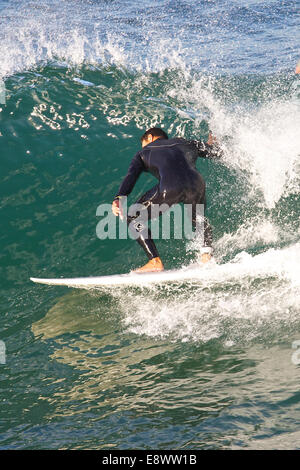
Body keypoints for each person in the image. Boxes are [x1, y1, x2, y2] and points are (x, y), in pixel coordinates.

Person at [112, 127, 221, 273]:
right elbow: (216, 152)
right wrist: (212, 143)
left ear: (150, 137)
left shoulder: (143, 153)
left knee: (132, 215)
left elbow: (131, 175)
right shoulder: (188, 143)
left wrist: (119, 197)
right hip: (197, 183)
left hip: (170, 186)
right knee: (198, 218)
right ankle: (206, 256)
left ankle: (154, 261)